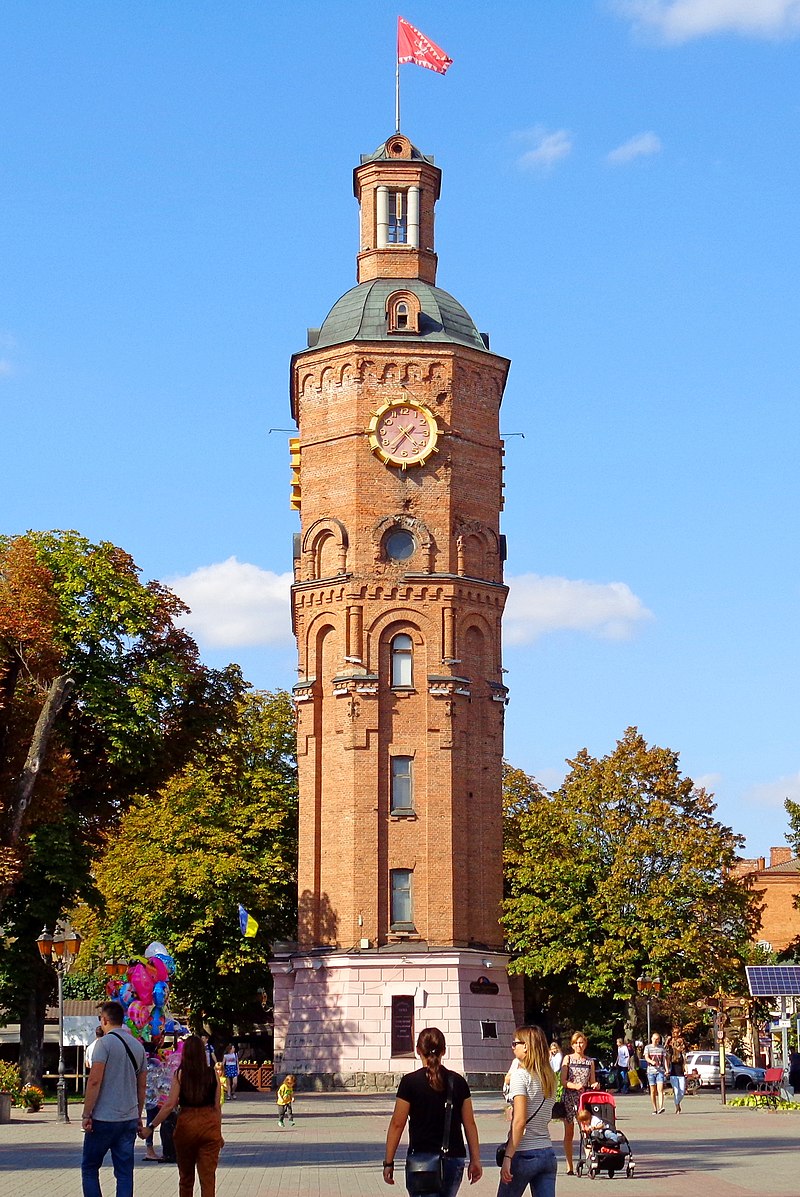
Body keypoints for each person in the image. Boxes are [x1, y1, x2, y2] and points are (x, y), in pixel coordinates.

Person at [383, 1026, 482, 1196]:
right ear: (444, 1050)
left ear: (417, 1050)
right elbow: (470, 1124)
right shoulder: (458, 1082)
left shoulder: (409, 1083)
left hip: (421, 1160)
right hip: (453, 1158)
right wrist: (475, 1159)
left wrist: (389, 1162)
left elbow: (397, 1124)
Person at [141, 1034, 223, 1197]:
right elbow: (217, 1106)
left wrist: (150, 1127)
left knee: (186, 1179)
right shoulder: (212, 1074)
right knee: (208, 1180)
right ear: (202, 1053)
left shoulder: (180, 1074)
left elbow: (169, 1105)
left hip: (186, 1126)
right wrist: (218, 1134)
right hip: (209, 1126)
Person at [81, 1000, 147, 1197]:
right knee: (125, 1173)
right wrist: (137, 1113)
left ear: (104, 1019)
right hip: (128, 1118)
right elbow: (141, 1085)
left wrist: (86, 1113)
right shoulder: (138, 1047)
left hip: (103, 1117)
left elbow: (94, 1081)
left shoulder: (103, 1045)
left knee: (90, 1168)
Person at [498, 1025, 558, 1197]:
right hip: (547, 1152)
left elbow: (519, 1121)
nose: (512, 1047)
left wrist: (508, 1157)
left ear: (526, 1046)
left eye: (515, 1043)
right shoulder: (550, 1078)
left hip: (524, 1152)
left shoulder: (520, 1076)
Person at [560, 1030, 599, 1177]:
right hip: (570, 1098)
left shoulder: (590, 1061)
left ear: (585, 1044)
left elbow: (592, 1080)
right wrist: (574, 1086)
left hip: (584, 1099)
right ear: (572, 1044)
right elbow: (562, 1081)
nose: (579, 1045)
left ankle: (590, 1159)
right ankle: (569, 1165)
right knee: (569, 1132)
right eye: (576, 1043)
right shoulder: (568, 1059)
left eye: (581, 1042)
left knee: (586, 1130)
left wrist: (595, 1085)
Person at [144, 1040, 177, 1162]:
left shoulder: (144, 1062)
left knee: (151, 1120)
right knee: (157, 1121)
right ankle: (153, 1150)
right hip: (156, 1097)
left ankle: (150, 1149)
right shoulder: (156, 1063)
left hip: (148, 1095)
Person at [643, 1032, 667, 1115]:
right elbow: (646, 1057)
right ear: (651, 1039)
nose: (656, 1041)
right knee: (653, 1091)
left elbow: (664, 1060)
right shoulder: (647, 1047)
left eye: (657, 1039)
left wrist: (666, 1069)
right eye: (654, 1039)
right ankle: (654, 1108)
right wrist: (651, 1061)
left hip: (660, 1071)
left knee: (660, 1089)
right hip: (651, 1071)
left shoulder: (662, 1048)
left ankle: (661, 1107)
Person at [664, 1027, 687, 1114]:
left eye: (677, 1032)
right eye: (674, 1033)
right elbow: (665, 1050)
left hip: (680, 1070)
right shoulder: (670, 1042)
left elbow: (684, 1053)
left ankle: (677, 1103)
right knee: (676, 1091)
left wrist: (686, 1066)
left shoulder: (682, 1041)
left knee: (682, 1091)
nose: (675, 1034)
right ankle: (677, 1106)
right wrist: (667, 1041)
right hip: (673, 1069)